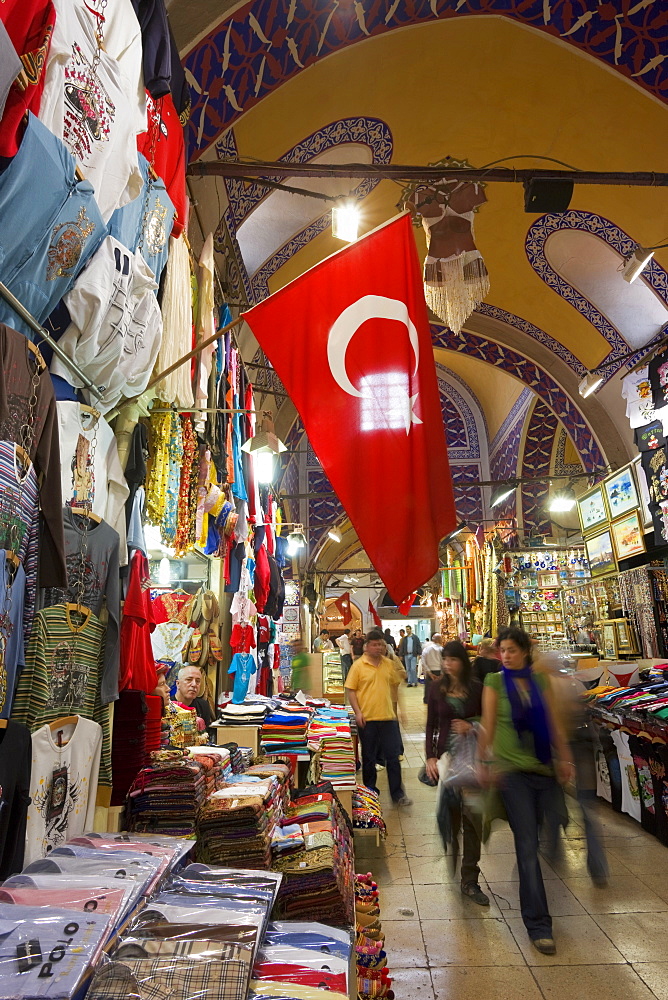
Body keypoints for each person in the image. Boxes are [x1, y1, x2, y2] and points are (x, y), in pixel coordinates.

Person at [477, 626, 573, 956]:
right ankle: (538, 924)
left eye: (511, 650)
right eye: (501, 650)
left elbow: (553, 723)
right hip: (511, 771)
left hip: (542, 768)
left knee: (545, 830)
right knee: (527, 845)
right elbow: (487, 725)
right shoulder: (493, 683)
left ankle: (536, 908)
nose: (505, 655)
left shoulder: (540, 681)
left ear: (524, 651)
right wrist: (483, 762)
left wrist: (564, 756)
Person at [537, 652, 608, 887]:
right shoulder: (572, 684)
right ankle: (597, 865)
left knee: (553, 802)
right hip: (580, 753)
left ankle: (553, 847)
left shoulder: (543, 689)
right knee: (586, 809)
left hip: (557, 753)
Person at [425, 640, 487, 905]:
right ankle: (453, 848)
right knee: (451, 815)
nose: (448, 665)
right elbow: (431, 725)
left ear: (463, 661)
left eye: (453, 660)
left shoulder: (477, 689)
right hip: (449, 760)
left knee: (473, 818)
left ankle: (470, 878)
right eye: (445, 660)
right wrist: (430, 756)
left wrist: (472, 726)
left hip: (474, 760)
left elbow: (489, 720)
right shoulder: (437, 688)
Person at [345, 629, 411, 806]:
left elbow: (396, 688)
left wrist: (401, 711)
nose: (378, 648)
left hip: (388, 718)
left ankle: (397, 794)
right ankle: (370, 792)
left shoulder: (389, 664)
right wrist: (358, 712)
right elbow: (351, 690)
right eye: (374, 644)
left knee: (393, 757)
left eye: (381, 644)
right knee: (369, 758)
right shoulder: (358, 666)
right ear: (366, 647)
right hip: (368, 719)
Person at [174, 664, 214, 731]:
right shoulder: (167, 706)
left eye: (197, 681)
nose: (194, 684)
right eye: (189, 680)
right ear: (178, 684)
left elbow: (205, 735)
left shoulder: (203, 705)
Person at [421, 633, 443, 704]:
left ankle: (427, 700)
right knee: (439, 687)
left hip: (430, 671)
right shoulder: (442, 649)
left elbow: (423, 661)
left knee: (428, 688)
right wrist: (442, 673)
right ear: (439, 640)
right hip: (439, 670)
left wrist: (429, 672)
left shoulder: (427, 649)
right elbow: (443, 661)